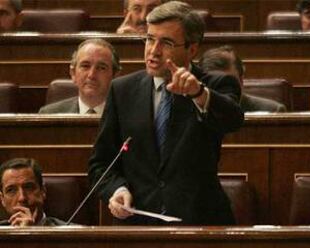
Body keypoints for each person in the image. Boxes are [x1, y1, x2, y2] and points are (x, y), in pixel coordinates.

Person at [89, 1, 244, 225]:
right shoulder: (122, 90)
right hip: (137, 225)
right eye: (150, 39)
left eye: (166, 43)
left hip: (200, 224)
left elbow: (233, 120)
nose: (153, 51)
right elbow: (100, 164)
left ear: (191, 49)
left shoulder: (215, 85)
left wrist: (198, 93)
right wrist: (117, 189)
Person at [39, 38, 121, 115]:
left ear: (115, 76)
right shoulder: (49, 114)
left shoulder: (129, 116)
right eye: (85, 66)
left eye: (101, 68)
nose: (91, 75)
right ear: (73, 73)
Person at [199, 45, 286, 112]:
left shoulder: (273, 111)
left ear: (241, 81)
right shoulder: (190, 111)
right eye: (214, 83)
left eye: (227, 83)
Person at [0, 158, 66, 226]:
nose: (22, 198)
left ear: (43, 191)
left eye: (28, 188)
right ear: (2, 199)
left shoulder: (72, 234)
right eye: (11, 190)